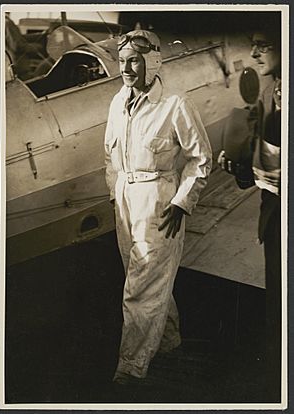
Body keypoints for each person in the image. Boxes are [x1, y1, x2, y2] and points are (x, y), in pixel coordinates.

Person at [104, 30, 212, 385]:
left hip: (158, 203)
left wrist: (182, 202)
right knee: (147, 282)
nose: (126, 69)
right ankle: (167, 345)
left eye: (133, 60)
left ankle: (130, 370)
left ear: (151, 62)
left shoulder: (175, 104)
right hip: (125, 202)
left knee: (140, 288)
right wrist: (114, 194)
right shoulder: (118, 102)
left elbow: (200, 158)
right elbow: (110, 156)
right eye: (122, 61)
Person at [219, 25, 281, 400]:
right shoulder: (271, 94)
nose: (255, 54)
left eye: (263, 46)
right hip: (273, 216)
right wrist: (240, 168)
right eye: (253, 46)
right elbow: (262, 163)